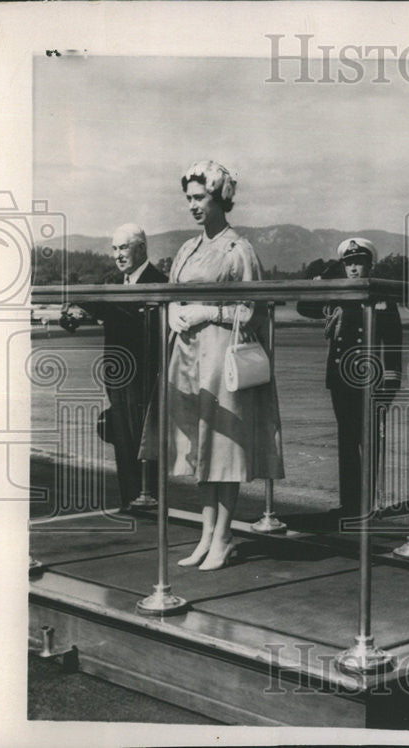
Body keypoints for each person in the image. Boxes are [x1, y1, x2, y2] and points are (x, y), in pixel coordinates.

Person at [141, 160, 284, 571]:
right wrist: (174, 314)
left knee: (224, 446)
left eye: (200, 197)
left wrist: (208, 312)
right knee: (201, 446)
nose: (193, 205)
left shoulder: (239, 249)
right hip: (186, 354)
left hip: (222, 353)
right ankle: (207, 533)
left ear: (220, 197)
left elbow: (253, 309)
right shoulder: (188, 248)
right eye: (188, 198)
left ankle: (224, 535)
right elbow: (171, 295)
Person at [60, 223, 166, 509]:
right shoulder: (115, 283)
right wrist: (78, 311)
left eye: (124, 248)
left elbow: (137, 319)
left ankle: (150, 498)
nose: (118, 255)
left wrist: (97, 307)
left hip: (145, 375)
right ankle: (131, 500)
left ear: (141, 248)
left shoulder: (158, 281)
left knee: (144, 438)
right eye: (114, 249)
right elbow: (110, 309)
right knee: (122, 440)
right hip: (118, 375)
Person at [297, 238, 402, 522]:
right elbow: (303, 307)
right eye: (349, 264)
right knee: (346, 441)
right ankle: (350, 504)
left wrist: (391, 382)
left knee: (369, 442)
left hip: (370, 381)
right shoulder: (337, 294)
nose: (354, 269)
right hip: (341, 377)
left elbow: (393, 342)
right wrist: (328, 274)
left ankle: (368, 503)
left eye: (359, 263)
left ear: (369, 265)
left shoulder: (381, 297)